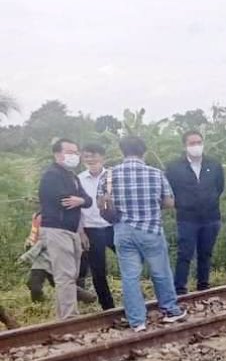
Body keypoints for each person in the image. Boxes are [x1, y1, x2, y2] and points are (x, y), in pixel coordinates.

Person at [100, 135, 187, 331]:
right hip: (151, 230)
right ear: (144, 151)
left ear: (122, 151)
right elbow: (169, 203)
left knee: (130, 276)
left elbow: (101, 203)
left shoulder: (109, 175)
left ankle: (137, 321)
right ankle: (170, 310)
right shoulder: (156, 174)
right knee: (161, 272)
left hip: (122, 230)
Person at [165, 131, 225, 296]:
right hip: (187, 218)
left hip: (211, 217)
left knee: (206, 253)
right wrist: (181, 204)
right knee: (185, 253)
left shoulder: (213, 164)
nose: (196, 146)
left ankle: (203, 286)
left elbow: (219, 187)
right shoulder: (174, 167)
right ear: (185, 145)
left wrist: (210, 200)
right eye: (192, 143)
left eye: (199, 142)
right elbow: (168, 190)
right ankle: (179, 289)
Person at [37, 139, 92, 319]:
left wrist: (81, 200)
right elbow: (63, 200)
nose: (74, 156)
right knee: (65, 275)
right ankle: (69, 318)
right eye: (70, 152)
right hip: (56, 229)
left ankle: (63, 316)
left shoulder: (72, 176)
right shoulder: (51, 175)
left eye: (76, 152)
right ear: (57, 154)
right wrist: (79, 200)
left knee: (70, 276)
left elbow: (87, 199)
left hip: (72, 229)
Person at [22, 211, 96, 305]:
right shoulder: (37, 216)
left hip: (53, 254)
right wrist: (29, 243)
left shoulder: (59, 215)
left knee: (60, 283)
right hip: (40, 256)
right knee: (34, 283)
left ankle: (87, 297)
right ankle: (38, 304)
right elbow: (34, 233)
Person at [77, 143, 115, 310]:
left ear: (103, 157)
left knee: (131, 261)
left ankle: (135, 298)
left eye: (94, 155)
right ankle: (108, 307)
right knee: (98, 271)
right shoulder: (78, 180)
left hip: (113, 226)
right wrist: (81, 232)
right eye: (86, 156)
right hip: (91, 229)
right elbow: (76, 209)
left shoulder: (113, 176)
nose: (90, 159)